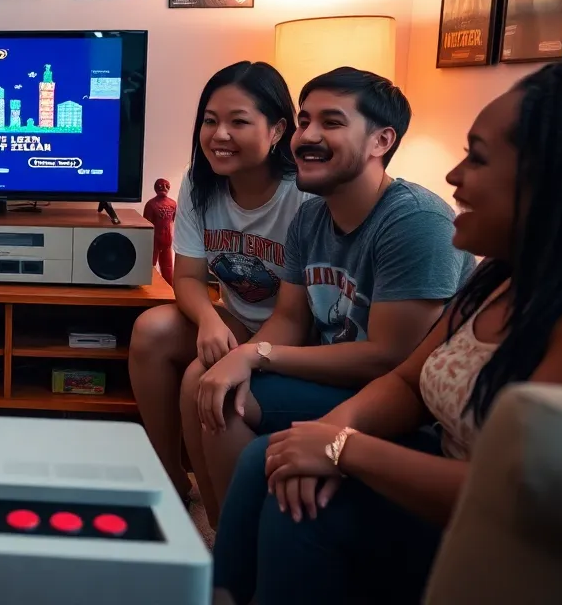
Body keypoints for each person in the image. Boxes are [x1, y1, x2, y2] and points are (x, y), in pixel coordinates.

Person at [212, 61, 562, 605]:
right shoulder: (499, 276)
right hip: (427, 450)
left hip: (495, 528)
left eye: (479, 157)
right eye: (304, 119)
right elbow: (407, 380)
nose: (454, 175)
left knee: (300, 512)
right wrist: (326, 434)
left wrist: (340, 448)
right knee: (269, 458)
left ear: (554, 178)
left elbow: (519, 496)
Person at [180, 67, 475, 519]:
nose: (307, 136)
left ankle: (239, 549)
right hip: (333, 379)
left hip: (400, 404)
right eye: (303, 121)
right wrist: (241, 357)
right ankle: (225, 540)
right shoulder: (312, 215)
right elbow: (292, 319)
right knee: (211, 382)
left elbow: (389, 358)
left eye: (331, 123)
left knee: (227, 398)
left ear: (382, 141)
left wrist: (255, 355)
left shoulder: (415, 221)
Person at [128, 61, 310, 506]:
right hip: (236, 319)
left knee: (199, 376)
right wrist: (209, 319)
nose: (219, 134)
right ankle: (169, 475)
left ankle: (217, 518)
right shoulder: (198, 183)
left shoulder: (302, 195)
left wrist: (243, 352)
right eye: (210, 121)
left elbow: (297, 314)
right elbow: (187, 276)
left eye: (238, 121)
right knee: (149, 330)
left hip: (294, 333)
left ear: (277, 130)